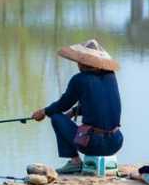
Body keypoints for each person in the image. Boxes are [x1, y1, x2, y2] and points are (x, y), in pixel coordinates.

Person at [31, 39, 123, 174]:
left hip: (93, 144)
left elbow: (62, 105)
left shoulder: (79, 79)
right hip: (116, 142)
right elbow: (98, 105)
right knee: (63, 116)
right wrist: (74, 111)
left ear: (81, 62)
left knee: (56, 117)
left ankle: (75, 162)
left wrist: (44, 111)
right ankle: (79, 161)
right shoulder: (111, 76)